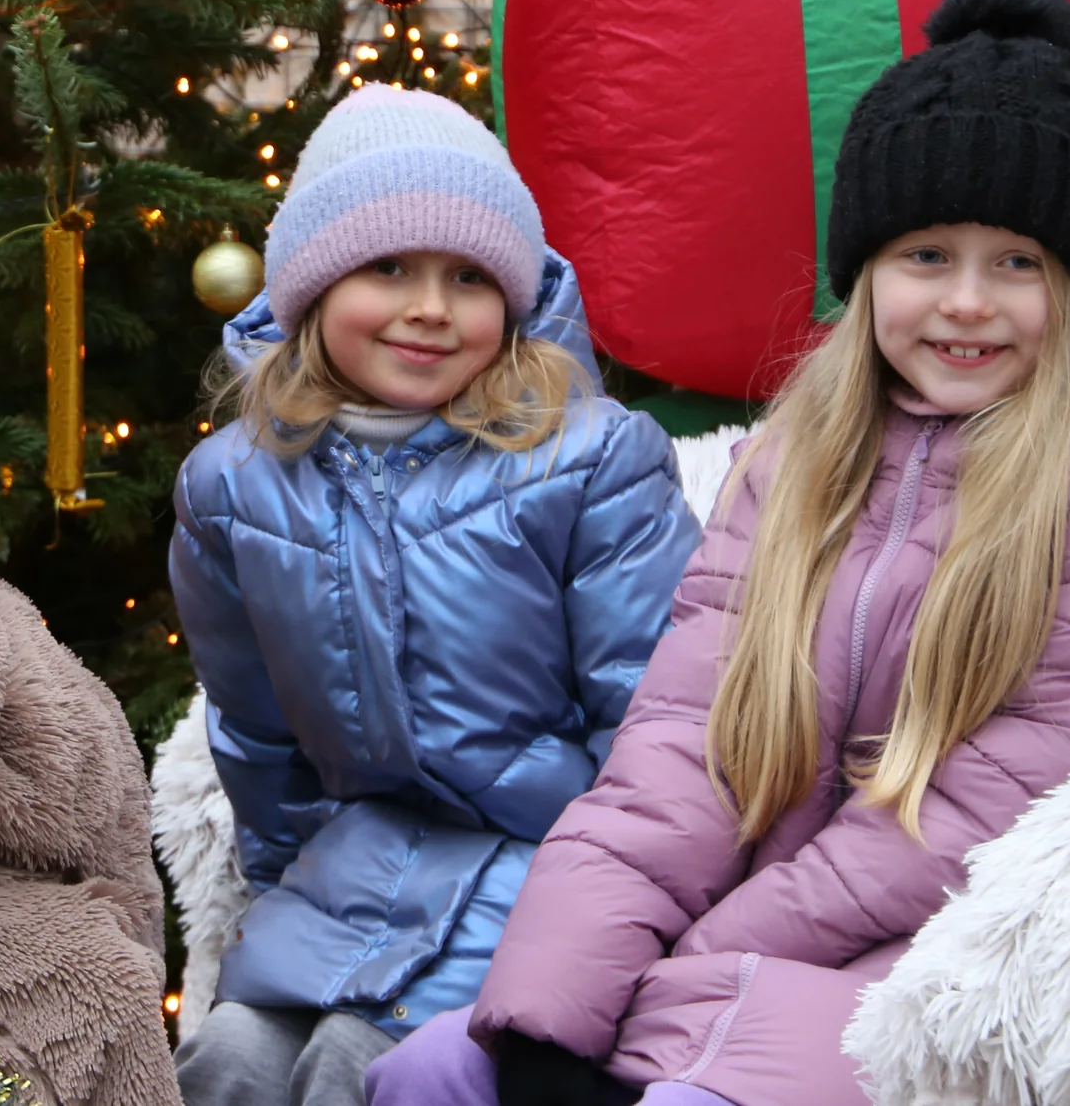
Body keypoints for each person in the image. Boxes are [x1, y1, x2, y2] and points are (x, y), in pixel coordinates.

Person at [367, 0, 1070, 1106]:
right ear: (866, 273)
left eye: (1016, 263)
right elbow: (678, 757)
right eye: (926, 256)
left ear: (1069, 289)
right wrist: (555, 1008)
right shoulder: (796, 461)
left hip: (965, 963)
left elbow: (1002, 814)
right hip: (749, 955)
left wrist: (700, 964)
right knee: (435, 1076)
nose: (968, 302)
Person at [168, 85, 702, 1106]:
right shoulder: (233, 486)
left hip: (549, 867)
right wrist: (284, 889)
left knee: (357, 1069)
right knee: (229, 1058)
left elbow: (654, 718)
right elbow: (256, 728)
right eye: (387, 268)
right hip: (352, 868)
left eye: (468, 276)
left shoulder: (589, 462)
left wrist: (616, 917)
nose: (429, 308)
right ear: (313, 289)